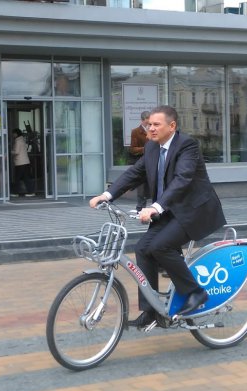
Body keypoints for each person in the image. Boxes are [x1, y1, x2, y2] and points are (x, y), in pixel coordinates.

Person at [89, 105, 226, 328]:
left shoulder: (187, 146)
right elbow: (135, 173)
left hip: (192, 211)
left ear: (172, 126)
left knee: (160, 246)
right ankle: (151, 311)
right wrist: (107, 194)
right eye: (148, 124)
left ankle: (195, 293)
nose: (150, 129)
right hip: (168, 211)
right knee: (143, 249)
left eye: (156, 125)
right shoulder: (152, 148)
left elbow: (182, 179)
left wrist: (156, 207)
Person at [129, 110, 151, 211]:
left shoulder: (153, 130)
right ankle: (140, 209)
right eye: (147, 122)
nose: (149, 124)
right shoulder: (136, 131)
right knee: (141, 188)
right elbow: (132, 149)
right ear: (142, 120)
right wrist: (145, 149)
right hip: (141, 162)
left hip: (152, 163)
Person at [11, 128, 34, 197]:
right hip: (25, 161)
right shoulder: (22, 140)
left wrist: (10, 151)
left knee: (17, 178)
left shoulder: (18, 141)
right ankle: (31, 192)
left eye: (13, 133)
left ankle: (15, 193)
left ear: (16, 133)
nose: (12, 135)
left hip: (20, 162)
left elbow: (17, 152)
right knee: (26, 178)